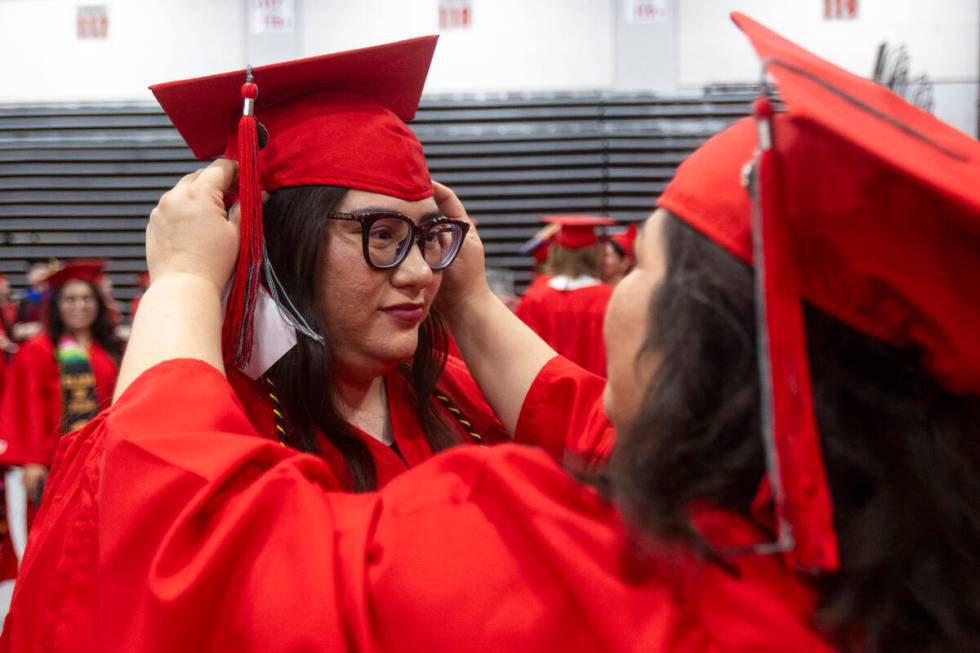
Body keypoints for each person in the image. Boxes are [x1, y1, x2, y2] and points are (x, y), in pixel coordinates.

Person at [5, 13, 979, 652]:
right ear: (281, 247)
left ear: (722, 346)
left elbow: (198, 547)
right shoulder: (865, 539)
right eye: (384, 234)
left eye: (640, 266)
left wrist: (178, 276)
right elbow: (603, 430)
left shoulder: (486, 449)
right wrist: (471, 301)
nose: (426, 267)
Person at [148, 37, 605, 492]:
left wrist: (470, 301)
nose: (421, 274)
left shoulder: (468, 395)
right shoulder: (220, 423)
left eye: (428, 236)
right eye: (381, 234)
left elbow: (620, 482)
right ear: (275, 240)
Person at [0, 261, 121, 507]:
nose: (80, 306)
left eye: (87, 299)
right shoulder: (38, 350)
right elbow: (26, 407)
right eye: (70, 299)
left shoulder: (109, 350)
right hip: (52, 463)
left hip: (102, 461)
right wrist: (32, 460)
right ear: (57, 305)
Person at [516, 215, 614, 376]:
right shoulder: (610, 299)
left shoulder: (535, 298)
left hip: (546, 394)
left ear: (556, 251)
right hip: (597, 396)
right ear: (595, 253)